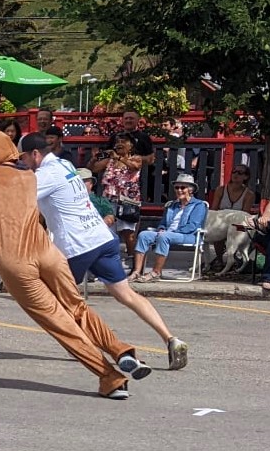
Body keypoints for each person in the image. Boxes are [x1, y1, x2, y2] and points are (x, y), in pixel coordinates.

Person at [0, 130, 145, 399]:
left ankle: (110, 377)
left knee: (58, 322)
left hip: (17, 263)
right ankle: (120, 349)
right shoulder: (27, 176)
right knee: (77, 307)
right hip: (48, 253)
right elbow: (2, 206)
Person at [23, 132, 188, 370]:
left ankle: (91, 345)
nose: (22, 163)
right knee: (126, 294)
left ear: (35, 154)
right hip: (102, 237)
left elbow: (20, 198)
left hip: (77, 245)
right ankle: (171, 339)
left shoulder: (44, 175)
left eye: (23, 158)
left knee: (57, 300)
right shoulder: (64, 164)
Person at [130, 175, 207, 283]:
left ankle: (156, 272)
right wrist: (161, 228)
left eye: (182, 188)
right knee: (143, 235)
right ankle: (136, 271)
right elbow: (163, 223)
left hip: (189, 235)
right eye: (177, 188)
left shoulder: (199, 205)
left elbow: (192, 226)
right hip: (168, 233)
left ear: (190, 190)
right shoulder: (172, 205)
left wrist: (170, 232)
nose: (179, 190)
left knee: (164, 236)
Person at [97, 133, 144, 260]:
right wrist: (95, 157)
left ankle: (133, 260)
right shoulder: (110, 160)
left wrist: (118, 157)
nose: (120, 143)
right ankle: (110, 259)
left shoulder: (136, 158)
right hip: (108, 199)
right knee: (108, 232)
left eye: (123, 141)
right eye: (117, 141)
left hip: (128, 201)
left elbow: (135, 167)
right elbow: (94, 169)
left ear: (131, 145)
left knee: (128, 233)